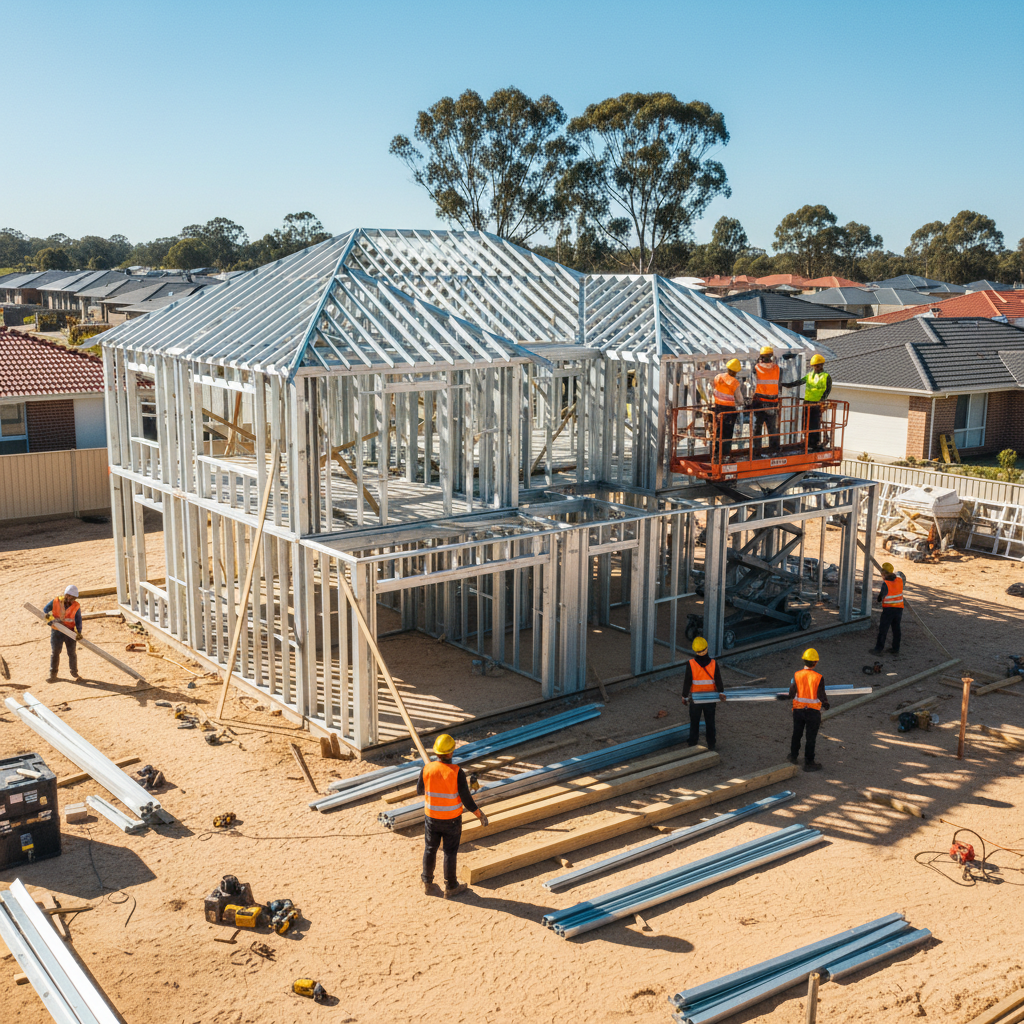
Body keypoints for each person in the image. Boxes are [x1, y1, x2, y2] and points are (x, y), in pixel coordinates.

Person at [417, 734, 488, 898]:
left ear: (436, 752)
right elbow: (466, 799)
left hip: (431, 818)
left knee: (430, 849)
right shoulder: (457, 772)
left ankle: (427, 883)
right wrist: (479, 815)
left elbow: (420, 790)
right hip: (451, 820)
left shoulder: (427, 769)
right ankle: (451, 886)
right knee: (449, 852)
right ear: (451, 752)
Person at [788, 648, 830, 772]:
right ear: (815, 662)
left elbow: (791, 693)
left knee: (797, 734)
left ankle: (793, 756)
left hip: (798, 711)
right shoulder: (818, 677)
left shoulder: (797, 675)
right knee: (811, 737)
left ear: (804, 661)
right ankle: (809, 762)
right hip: (813, 712)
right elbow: (821, 695)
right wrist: (826, 704)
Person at [682, 637, 726, 751]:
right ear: (706, 648)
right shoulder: (713, 663)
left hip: (696, 699)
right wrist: (721, 692)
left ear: (695, 650)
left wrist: (684, 696)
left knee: (694, 722)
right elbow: (718, 680)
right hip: (710, 699)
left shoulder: (691, 664)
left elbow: (687, 681)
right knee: (710, 722)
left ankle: (693, 743)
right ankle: (711, 744)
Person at [780, 353, 832, 450]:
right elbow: (800, 382)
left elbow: (827, 390)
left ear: (821, 365)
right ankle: (807, 441)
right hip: (807, 402)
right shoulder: (810, 375)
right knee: (805, 423)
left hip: (817, 404)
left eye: (817, 366)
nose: (815, 368)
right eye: (814, 366)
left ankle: (815, 443)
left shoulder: (826, 376)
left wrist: (821, 401)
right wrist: (787, 385)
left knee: (814, 424)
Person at [44, 585, 82, 682]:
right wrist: (51, 621)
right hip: (57, 631)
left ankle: (74, 673)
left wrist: (79, 632)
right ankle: (53, 674)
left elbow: (78, 620)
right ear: (65, 595)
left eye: (72, 598)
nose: (69, 599)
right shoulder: (56, 601)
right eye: (68, 596)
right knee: (55, 653)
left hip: (70, 632)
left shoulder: (76, 606)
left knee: (72, 653)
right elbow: (45, 610)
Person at [711, 358, 746, 459]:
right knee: (727, 433)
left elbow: (715, 390)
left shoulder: (718, 377)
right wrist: (742, 403)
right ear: (736, 371)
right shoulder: (734, 382)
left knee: (718, 432)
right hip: (729, 411)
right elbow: (740, 400)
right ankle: (725, 455)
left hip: (717, 409)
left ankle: (716, 454)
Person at [750, 346, 781, 456]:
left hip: (759, 402)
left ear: (761, 357)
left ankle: (756, 451)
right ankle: (774, 450)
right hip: (773, 402)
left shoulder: (756, 367)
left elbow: (753, 384)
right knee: (772, 428)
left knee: (757, 428)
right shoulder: (777, 368)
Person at [871, 561, 905, 655]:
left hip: (889, 609)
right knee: (896, 629)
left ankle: (878, 649)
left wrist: (878, 599)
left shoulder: (885, 584)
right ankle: (895, 649)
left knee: (883, 629)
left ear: (883, 573)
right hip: (899, 609)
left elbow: (881, 596)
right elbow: (901, 576)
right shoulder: (899, 580)